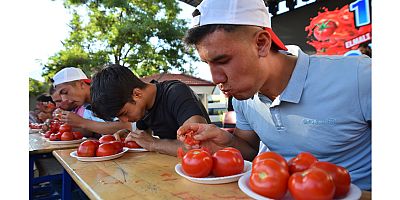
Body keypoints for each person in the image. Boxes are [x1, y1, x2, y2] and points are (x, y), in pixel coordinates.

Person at [177, 0, 371, 190]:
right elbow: (250, 150)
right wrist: (225, 141)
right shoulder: (243, 99)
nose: (216, 78)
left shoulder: (360, 76)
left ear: (261, 43)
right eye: (208, 64)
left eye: (223, 60)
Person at [90, 64, 211, 156]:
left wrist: (153, 143)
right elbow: (143, 137)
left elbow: (198, 146)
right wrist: (131, 136)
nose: (124, 120)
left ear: (137, 94)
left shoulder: (176, 92)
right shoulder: (143, 108)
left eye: (124, 113)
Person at [51, 67, 132, 137]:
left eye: (65, 92)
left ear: (81, 84)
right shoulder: (86, 106)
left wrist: (82, 122)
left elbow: (127, 125)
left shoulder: (105, 94)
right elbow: (92, 131)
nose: (64, 99)